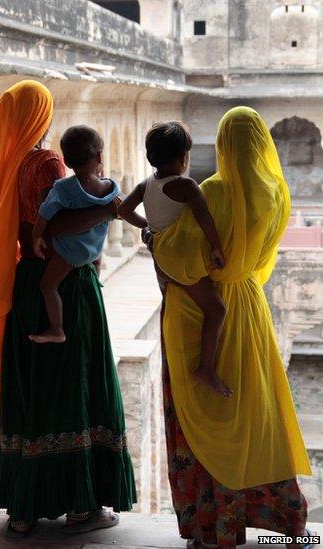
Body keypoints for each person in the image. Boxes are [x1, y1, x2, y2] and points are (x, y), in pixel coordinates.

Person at [0, 80, 136, 537]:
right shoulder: (44, 162)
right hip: (67, 284)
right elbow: (60, 224)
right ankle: (81, 506)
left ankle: (24, 509)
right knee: (76, 386)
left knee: (33, 392)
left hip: (29, 288)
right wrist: (111, 209)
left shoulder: (4, 165)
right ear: (40, 115)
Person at [145, 107, 312, 548]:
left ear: (221, 144)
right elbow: (263, 259)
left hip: (198, 311)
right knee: (255, 408)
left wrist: (152, 239)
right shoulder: (276, 192)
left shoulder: (214, 191)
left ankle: (213, 523)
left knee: (199, 411)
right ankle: (279, 514)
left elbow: (182, 257)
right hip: (249, 306)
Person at [119, 121, 232, 397]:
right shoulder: (186, 186)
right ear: (183, 157)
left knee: (175, 303)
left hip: (160, 258)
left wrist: (146, 227)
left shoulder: (146, 185)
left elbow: (123, 209)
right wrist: (217, 247)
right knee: (216, 310)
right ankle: (205, 368)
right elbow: (204, 217)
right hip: (181, 260)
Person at [29, 125, 119, 344]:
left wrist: (36, 236)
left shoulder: (63, 188)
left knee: (47, 286)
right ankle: (96, 281)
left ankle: (57, 329)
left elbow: (46, 214)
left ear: (66, 162)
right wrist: (145, 224)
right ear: (99, 156)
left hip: (69, 254)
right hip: (94, 253)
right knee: (92, 275)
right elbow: (123, 209)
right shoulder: (109, 186)